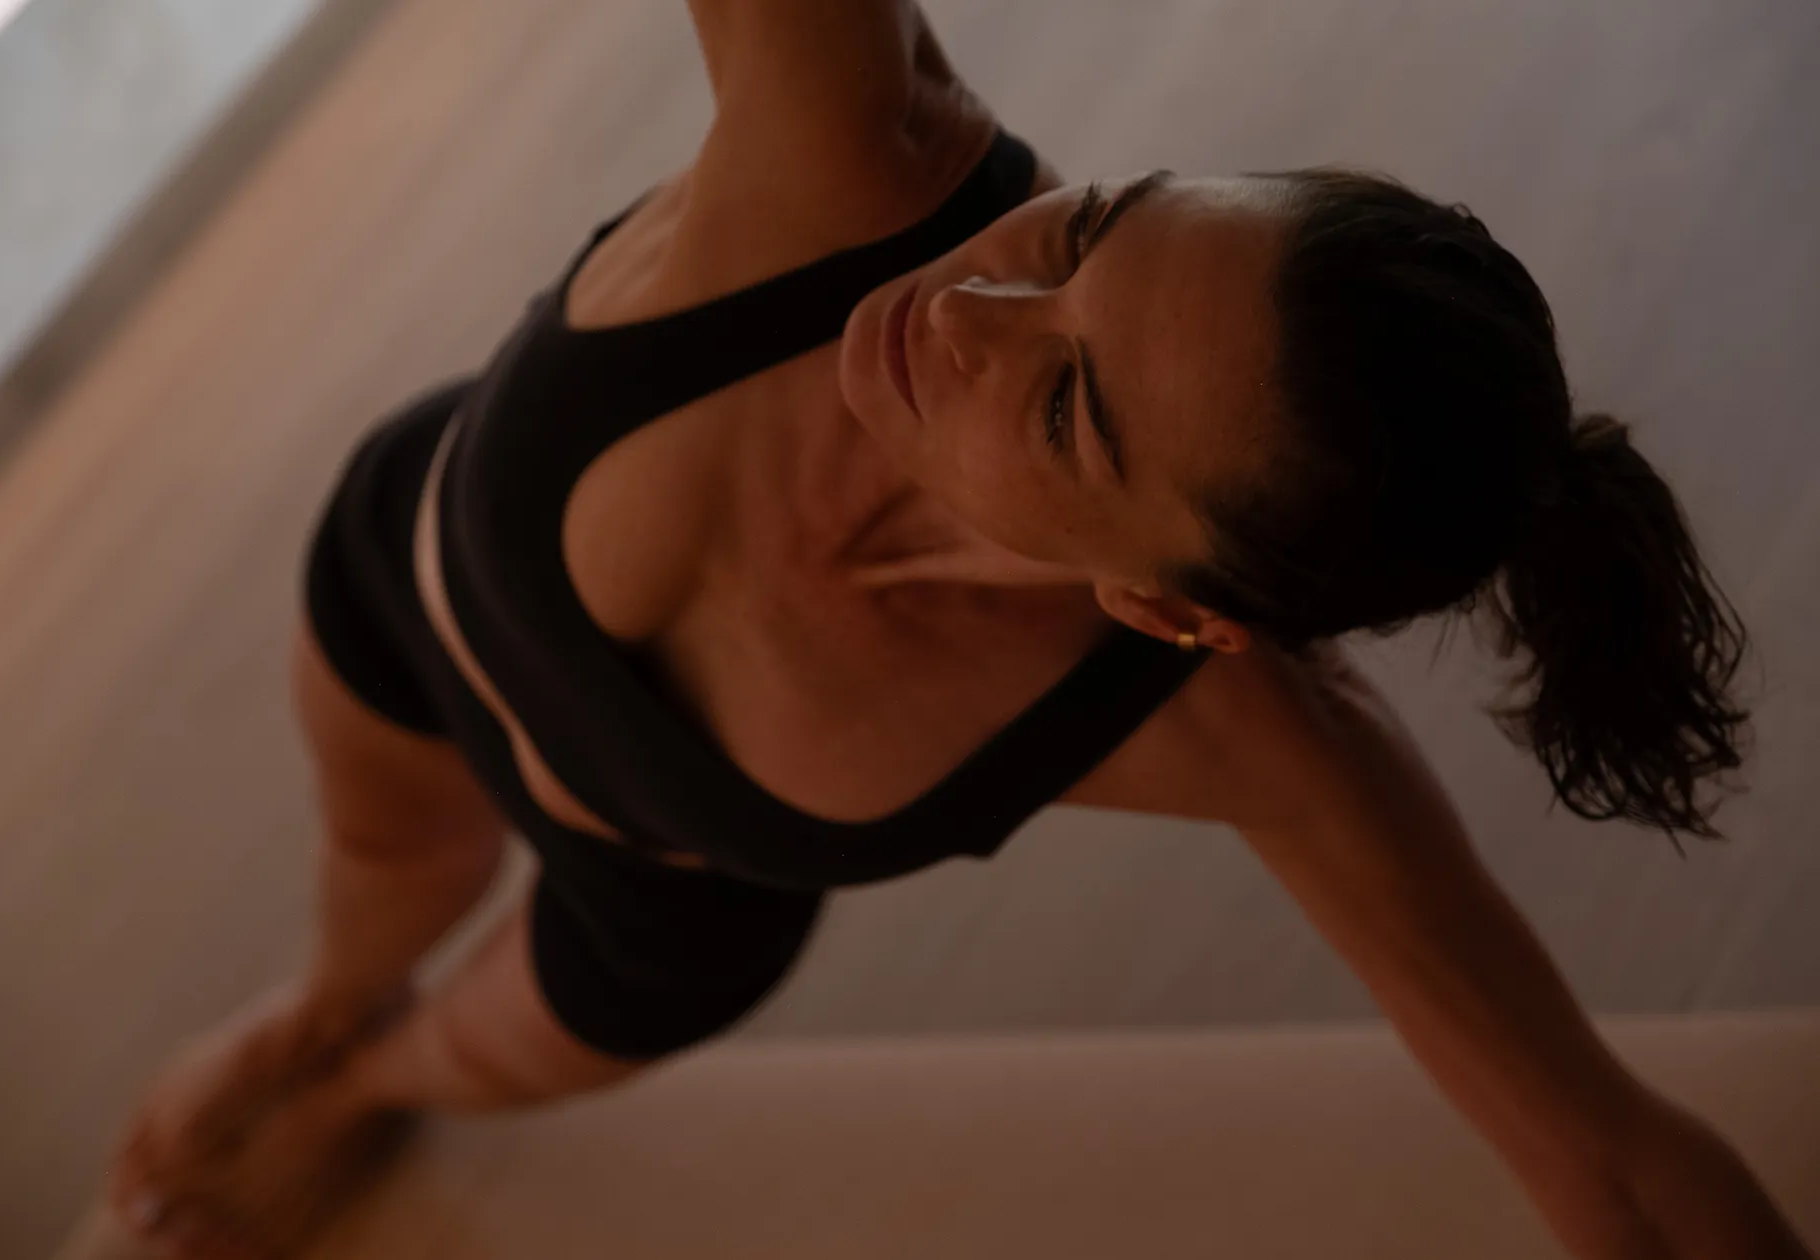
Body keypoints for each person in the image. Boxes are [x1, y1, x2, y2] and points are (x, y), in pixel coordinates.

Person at [107, 3, 1812, 1257]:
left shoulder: (1232, 732)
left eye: (1066, 408)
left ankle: (350, 1093)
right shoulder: (854, 151)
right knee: (381, 877)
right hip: (402, 595)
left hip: (656, 906)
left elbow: (1615, 1166)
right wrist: (338, 988)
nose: (969, 310)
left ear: (1168, 605)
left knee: (439, 1058)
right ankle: (314, 1011)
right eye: (1086, 231)